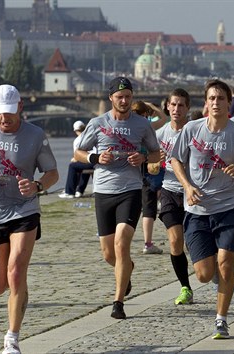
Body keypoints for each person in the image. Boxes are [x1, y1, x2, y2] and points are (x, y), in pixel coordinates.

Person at [0, 84, 58, 354]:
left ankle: (12, 339)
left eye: (10, 112)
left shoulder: (35, 135)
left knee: (17, 270)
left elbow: (52, 172)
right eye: (0, 113)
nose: (5, 119)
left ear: (20, 107)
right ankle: (18, 293)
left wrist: (38, 186)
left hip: (24, 210)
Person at [171, 79, 234, 339]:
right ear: (206, 102)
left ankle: (221, 319)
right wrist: (187, 186)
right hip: (197, 211)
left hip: (230, 208)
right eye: (211, 98)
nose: (216, 103)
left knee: (226, 264)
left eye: (221, 98)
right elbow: (175, 159)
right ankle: (219, 283)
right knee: (203, 274)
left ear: (228, 102)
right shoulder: (191, 129)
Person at [74, 77, 160, 319]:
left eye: (128, 97)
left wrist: (143, 158)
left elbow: (155, 154)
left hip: (131, 190)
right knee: (109, 254)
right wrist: (95, 158)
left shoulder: (142, 124)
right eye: (119, 97)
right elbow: (78, 152)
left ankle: (118, 302)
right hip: (103, 192)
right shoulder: (98, 123)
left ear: (132, 98)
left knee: (122, 243)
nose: (124, 101)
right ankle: (127, 269)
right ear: (111, 98)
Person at [155, 88, 193, 304]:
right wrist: (155, 162)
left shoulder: (194, 131)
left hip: (193, 191)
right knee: (175, 240)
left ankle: (210, 268)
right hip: (169, 190)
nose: (176, 109)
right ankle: (185, 287)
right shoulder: (160, 134)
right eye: (173, 105)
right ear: (167, 107)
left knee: (194, 243)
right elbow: (150, 167)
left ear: (187, 108)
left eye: (181, 105)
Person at [131, 100, 167, 255]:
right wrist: (152, 106)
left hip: (131, 168)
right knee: (150, 204)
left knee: (138, 204)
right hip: (148, 166)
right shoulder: (146, 126)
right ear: (145, 114)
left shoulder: (128, 126)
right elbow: (164, 118)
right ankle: (148, 243)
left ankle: (143, 241)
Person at [58, 121, 94, 199]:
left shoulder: (78, 140)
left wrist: (73, 159)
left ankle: (69, 192)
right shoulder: (91, 136)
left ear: (75, 131)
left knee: (72, 166)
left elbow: (77, 156)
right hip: (97, 161)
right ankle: (80, 190)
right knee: (84, 164)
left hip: (91, 162)